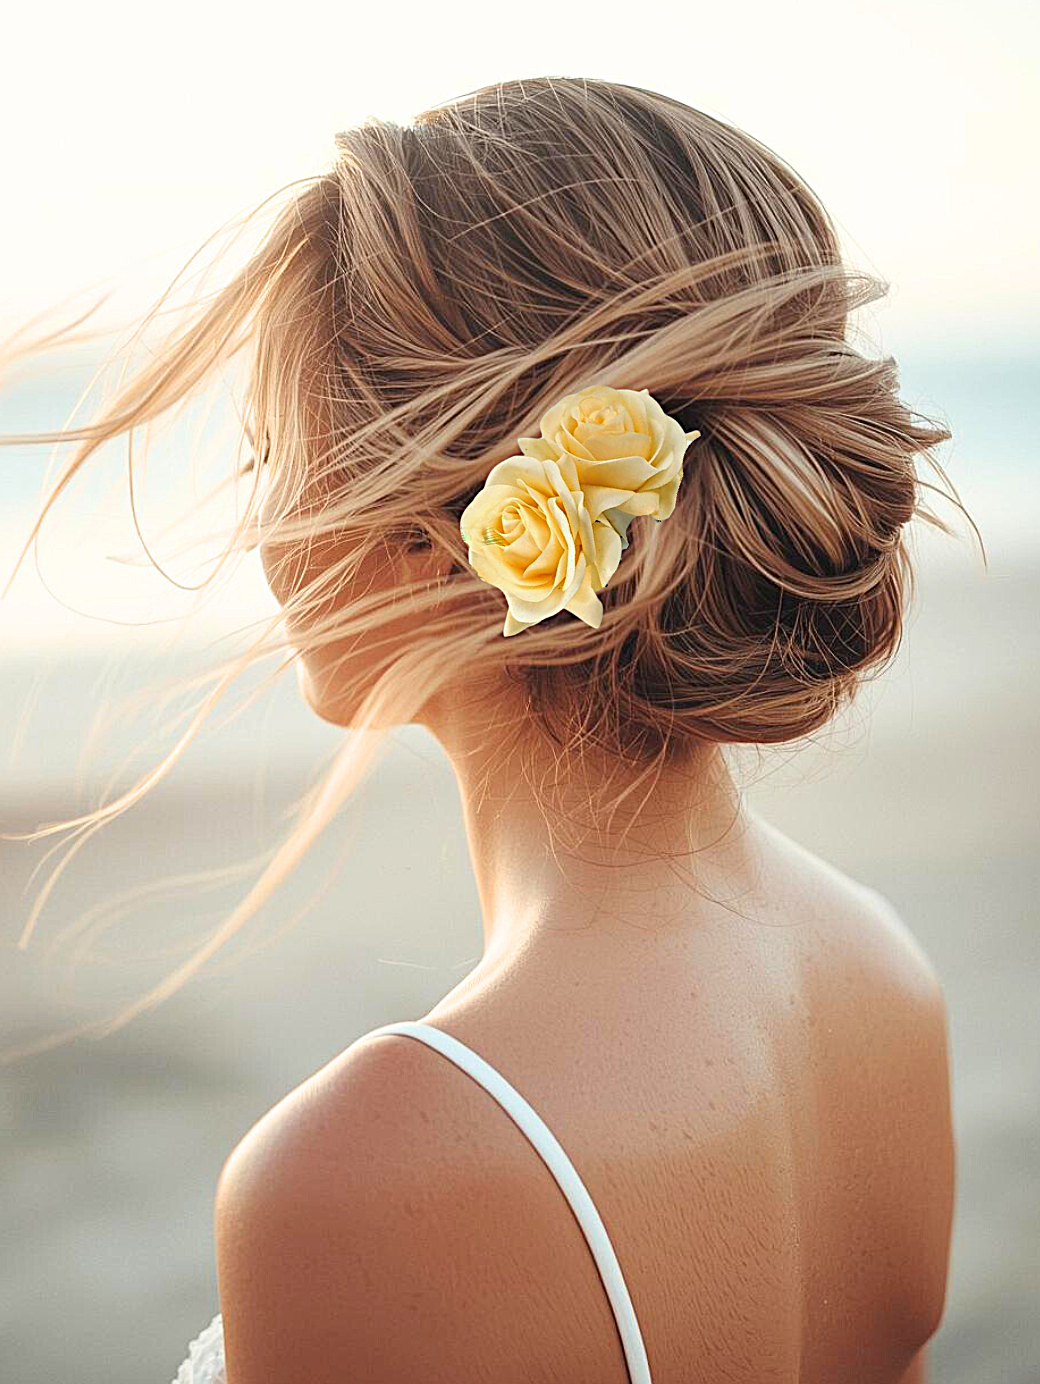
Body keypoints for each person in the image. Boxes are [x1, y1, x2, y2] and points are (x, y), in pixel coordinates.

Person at [3, 76, 963, 1384]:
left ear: (421, 536)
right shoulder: (884, 976)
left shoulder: (363, 1168)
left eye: (267, 456)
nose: (259, 524)